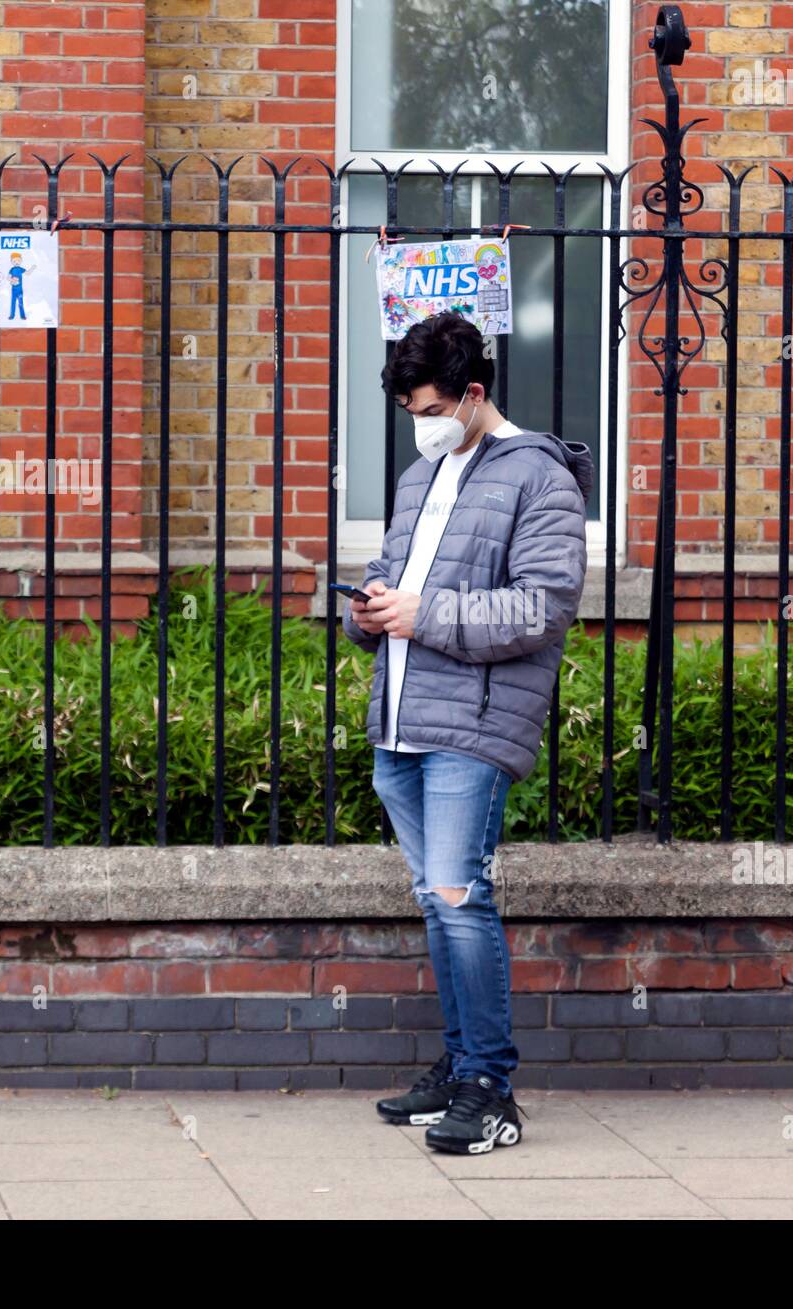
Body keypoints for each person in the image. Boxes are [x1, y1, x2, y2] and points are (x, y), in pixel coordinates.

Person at [341, 311, 591, 1155]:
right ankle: (457, 1067)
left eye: (431, 409)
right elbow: (396, 577)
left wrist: (423, 612)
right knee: (436, 901)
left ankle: (491, 1089)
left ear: (474, 393)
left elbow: (542, 606)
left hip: (474, 724)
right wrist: (372, 611)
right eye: (411, 411)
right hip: (404, 718)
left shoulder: (541, 478)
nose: (421, 426)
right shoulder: (423, 478)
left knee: (459, 894)